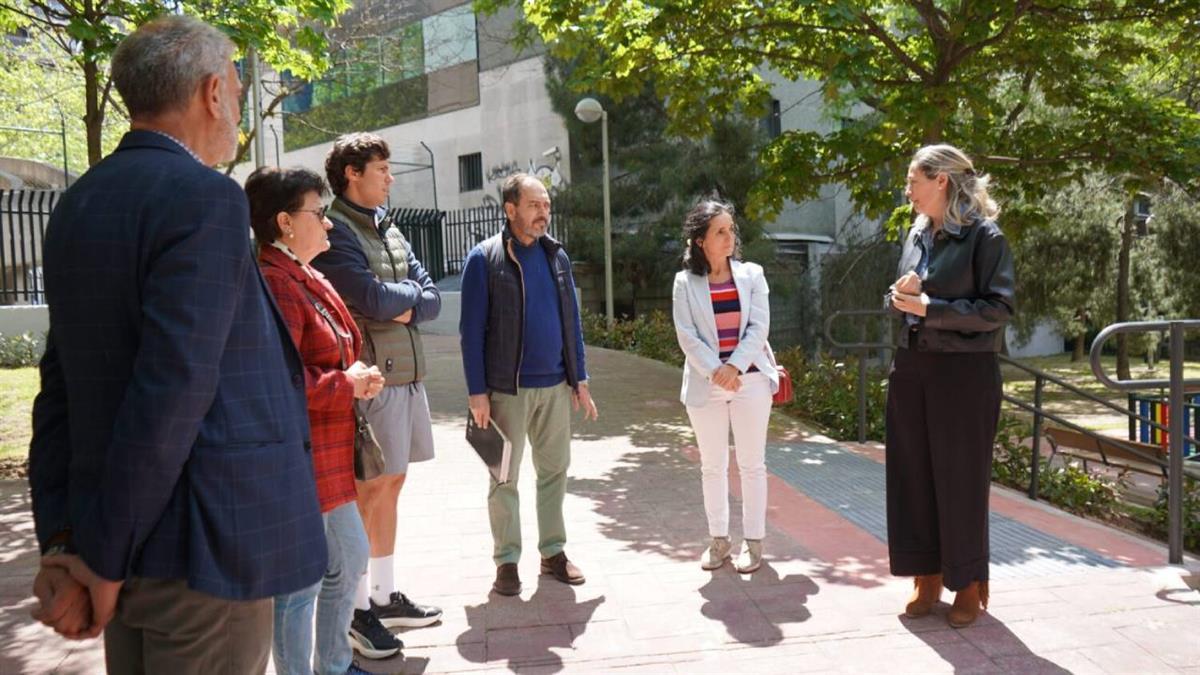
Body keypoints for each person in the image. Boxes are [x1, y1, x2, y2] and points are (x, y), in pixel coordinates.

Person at [27, 15, 327, 672]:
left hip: (117, 541)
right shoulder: (206, 199)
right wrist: (99, 560)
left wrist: (67, 542)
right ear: (213, 92)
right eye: (240, 91)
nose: (240, 108)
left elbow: (60, 389)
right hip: (203, 554)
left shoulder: (78, 203)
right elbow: (173, 389)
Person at [245, 166, 395, 674]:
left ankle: (333, 664)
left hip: (326, 456)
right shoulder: (276, 282)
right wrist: (345, 384)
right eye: (319, 213)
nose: (329, 225)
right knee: (302, 582)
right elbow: (276, 381)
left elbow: (331, 353)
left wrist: (354, 376)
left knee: (349, 560)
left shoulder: (304, 275)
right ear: (285, 222)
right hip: (299, 458)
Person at [311, 133, 442, 657]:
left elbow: (429, 296)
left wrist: (401, 302)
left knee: (394, 483)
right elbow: (365, 296)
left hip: (408, 374)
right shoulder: (336, 231)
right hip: (374, 375)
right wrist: (401, 300)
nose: (390, 178)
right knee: (370, 489)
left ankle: (386, 595)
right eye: (382, 169)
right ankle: (359, 609)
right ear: (351, 174)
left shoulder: (389, 228)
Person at [884, 143, 1016, 628]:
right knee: (912, 474)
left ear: (941, 181)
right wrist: (902, 297)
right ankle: (927, 576)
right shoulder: (916, 233)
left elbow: (998, 309)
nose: (908, 189)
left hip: (965, 376)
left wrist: (931, 308)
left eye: (913, 180)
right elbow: (905, 297)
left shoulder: (986, 236)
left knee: (960, 480)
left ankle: (968, 582)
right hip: (912, 369)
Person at [459, 172, 599, 597]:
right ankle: (507, 561)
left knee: (554, 471)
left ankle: (553, 552)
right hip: (507, 390)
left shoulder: (558, 257)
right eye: (536, 205)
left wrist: (581, 380)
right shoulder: (484, 259)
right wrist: (477, 392)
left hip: (556, 387)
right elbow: (471, 331)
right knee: (504, 477)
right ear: (511, 209)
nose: (544, 213)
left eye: (547, 206)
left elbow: (570, 322)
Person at [671, 198, 778, 574]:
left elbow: (758, 327)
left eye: (731, 229)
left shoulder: (753, 275)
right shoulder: (685, 282)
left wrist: (734, 366)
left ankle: (754, 542)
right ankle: (719, 541)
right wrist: (717, 371)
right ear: (700, 240)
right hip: (706, 384)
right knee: (712, 466)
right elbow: (686, 335)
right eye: (720, 230)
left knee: (752, 465)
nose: (729, 236)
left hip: (749, 382)